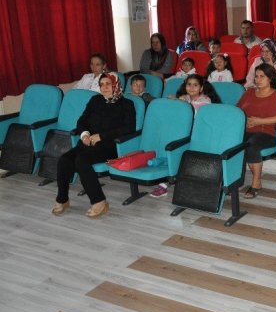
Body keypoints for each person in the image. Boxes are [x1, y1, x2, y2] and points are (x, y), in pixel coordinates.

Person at [52, 73, 136, 218]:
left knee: (81, 160)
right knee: (64, 160)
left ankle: (99, 201)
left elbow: (128, 128)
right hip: (87, 143)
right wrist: (84, 134)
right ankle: (62, 199)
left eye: (108, 84)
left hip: (110, 146)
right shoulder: (95, 100)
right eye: (102, 84)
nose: (104, 87)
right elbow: (82, 120)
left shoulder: (127, 104)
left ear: (116, 85)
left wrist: (101, 136)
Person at [151, 75, 220, 198]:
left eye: (195, 85)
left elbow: (194, 113)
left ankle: (170, 182)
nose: (191, 87)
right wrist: (175, 101)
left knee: (183, 156)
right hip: (184, 132)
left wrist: (180, 103)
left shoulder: (205, 101)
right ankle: (169, 177)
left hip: (199, 135)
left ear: (201, 88)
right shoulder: (184, 98)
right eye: (189, 84)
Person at [236, 63, 276, 199]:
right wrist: (244, 120)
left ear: (270, 78)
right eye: (256, 76)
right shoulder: (248, 93)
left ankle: (256, 183)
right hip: (246, 129)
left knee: (251, 145)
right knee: (233, 144)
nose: (258, 79)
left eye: (262, 76)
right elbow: (237, 111)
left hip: (268, 132)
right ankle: (235, 179)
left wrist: (259, 121)